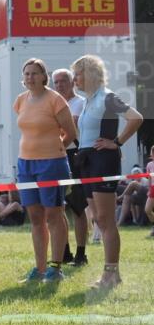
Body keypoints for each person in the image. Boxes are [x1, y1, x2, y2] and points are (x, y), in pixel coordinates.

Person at [71, 54, 144, 288]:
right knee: (99, 221)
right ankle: (112, 274)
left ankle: (111, 275)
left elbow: (136, 117)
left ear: (90, 73)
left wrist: (117, 142)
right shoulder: (88, 100)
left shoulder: (107, 97)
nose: (75, 79)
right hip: (87, 162)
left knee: (105, 219)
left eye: (78, 74)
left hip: (103, 161)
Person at [13, 58, 77, 283]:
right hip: (25, 164)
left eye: (34, 73)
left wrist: (57, 148)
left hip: (52, 163)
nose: (30, 77)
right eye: (26, 73)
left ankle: (55, 267)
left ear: (43, 76)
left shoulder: (55, 100)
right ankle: (39, 269)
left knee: (53, 214)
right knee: (35, 216)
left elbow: (70, 132)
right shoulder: (21, 100)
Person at [52, 67, 89, 266]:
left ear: (72, 82)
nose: (59, 85)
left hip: (73, 156)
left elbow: (70, 130)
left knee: (77, 207)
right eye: (55, 82)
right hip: (55, 156)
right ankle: (64, 251)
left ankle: (81, 253)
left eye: (63, 81)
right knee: (58, 207)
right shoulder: (53, 104)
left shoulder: (79, 104)